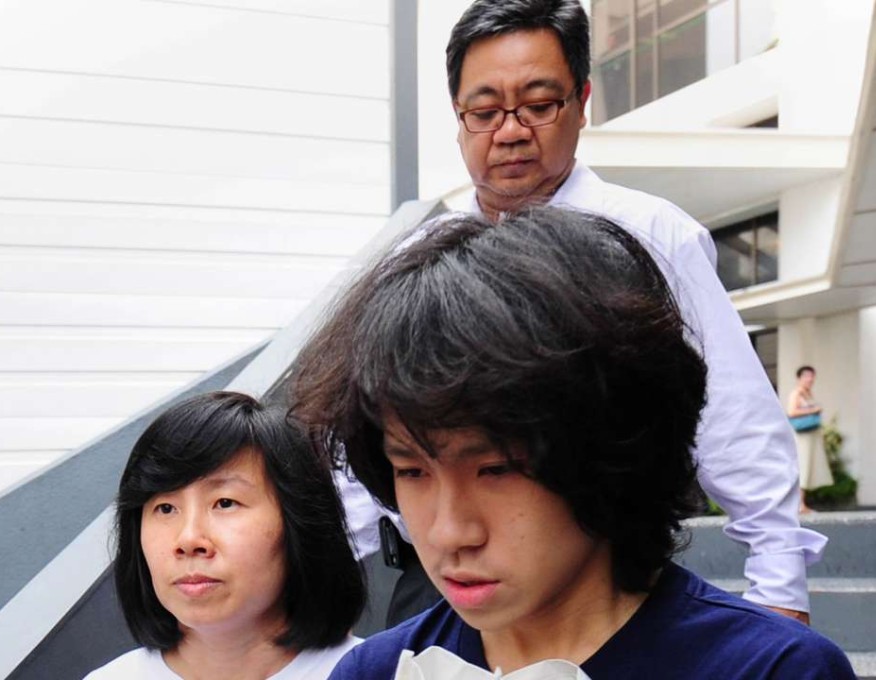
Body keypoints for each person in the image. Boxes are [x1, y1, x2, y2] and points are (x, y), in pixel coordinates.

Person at [344, 0, 825, 626]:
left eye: (539, 105)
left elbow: (735, 417)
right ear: (458, 119)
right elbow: (366, 440)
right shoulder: (415, 261)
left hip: (603, 583)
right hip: (438, 586)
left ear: (582, 100)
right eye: (484, 111)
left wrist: (779, 584)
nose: (511, 130)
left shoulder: (651, 236)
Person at [291, 208, 853, 679]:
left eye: (496, 469)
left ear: (612, 450)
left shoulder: (768, 670)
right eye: (411, 471)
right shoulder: (377, 671)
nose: (447, 532)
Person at [84, 391, 365, 680]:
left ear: (300, 523)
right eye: (166, 508)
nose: (189, 539)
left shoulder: (380, 671)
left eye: (225, 503)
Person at [787, 366, 833, 513]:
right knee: (802, 468)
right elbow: (791, 412)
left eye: (811, 376)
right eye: (806, 376)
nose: (810, 379)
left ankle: (802, 503)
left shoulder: (807, 393)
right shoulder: (797, 393)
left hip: (810, 435)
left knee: (807, 469)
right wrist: (814, 410)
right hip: (802, 437)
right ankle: (799, 504)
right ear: (799, 378)